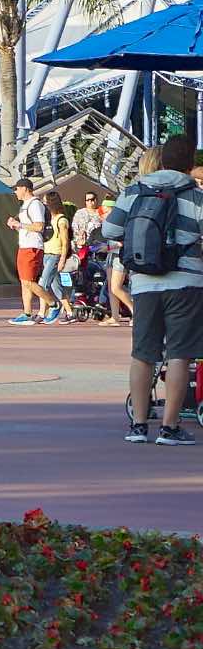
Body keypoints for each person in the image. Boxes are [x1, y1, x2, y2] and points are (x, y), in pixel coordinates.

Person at [101, 135, 203, 444]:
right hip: (185, 282)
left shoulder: (134, 190)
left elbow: (110, 230)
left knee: (143, 354)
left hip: (144, 282)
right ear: (189, 164)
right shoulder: (195, 195)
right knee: (179, 353)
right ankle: (170, 428)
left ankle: (139, 426)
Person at [10, 181, 60, 325]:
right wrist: (16, 226)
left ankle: (53, 304)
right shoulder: (25, 205)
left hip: (33, 247)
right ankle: (27, 313)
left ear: (25, 189)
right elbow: (28, 226)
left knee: (28, 282)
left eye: (17, 189)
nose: (16, 192)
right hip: (24, 245)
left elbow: (39, 226)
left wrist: (19, 224)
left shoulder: (35, 204)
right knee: (24, 282)